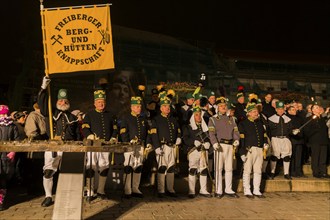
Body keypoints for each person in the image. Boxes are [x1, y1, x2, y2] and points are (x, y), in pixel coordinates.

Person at [38, 76, 79, 207]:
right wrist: (43, 88)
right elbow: (42, 104)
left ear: (68, 102)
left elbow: (77, 134)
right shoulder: (50, 112)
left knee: (69, 173)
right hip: (53, 146)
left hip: (69, 147)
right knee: (48, 171)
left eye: (65, 100)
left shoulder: (72, 117)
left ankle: (68, 196)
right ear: (57, 101)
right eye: (60, 100)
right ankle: (48, 196)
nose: (62, 102)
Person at [82, 90, 118, 201]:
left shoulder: (111, 115)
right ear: (94, 103)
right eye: (98, 102)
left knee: (104, 167)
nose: (101, 104)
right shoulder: (89, 114)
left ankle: (101, 190)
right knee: (91, 167)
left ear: (105, 103)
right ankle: (90, 190)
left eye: (102, 102)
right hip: (93, 145)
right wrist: (89, 136)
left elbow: (115, 128)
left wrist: (113, 137)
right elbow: (85, 127)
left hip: (105, 145)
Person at [120, 96, 151, 198]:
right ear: (132, 107)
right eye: (137, 106)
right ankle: (127, 189)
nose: (139, 108)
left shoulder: (143, 119)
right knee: (128, 167)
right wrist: (128, 142)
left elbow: (148, 133)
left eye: (140, 106)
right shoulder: (126, 118)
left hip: (140, 146)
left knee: (138, 167)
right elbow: (123, 132)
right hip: (130, 146)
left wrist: (147, 144)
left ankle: (135, 188)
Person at [208, 97, 240, 198]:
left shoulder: (231, 119)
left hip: (230, 145)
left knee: (229, 168)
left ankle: (228, 189)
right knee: (218, 168)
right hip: (219, 145)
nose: (223, 107)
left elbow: (235, 131)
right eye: (221, 106)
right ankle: (218, 190)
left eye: (225, 106)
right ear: (217, 108)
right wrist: (214, 143)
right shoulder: (213, 119)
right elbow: (211, 133)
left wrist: (236, 139)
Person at [150, 95, 181, 197]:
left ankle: (170, 189)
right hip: (162, 147)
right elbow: (153, 134)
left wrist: (179, 137)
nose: (167, 108)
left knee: (171, 168)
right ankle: (161, 190)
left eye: (168, 106)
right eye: (164, 106)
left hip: (172, 147)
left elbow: (178, 130)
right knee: (162, 168)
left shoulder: (173, 119)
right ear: (161, 108)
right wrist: (156, 147)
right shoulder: (156, 120)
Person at [238, 102, 269, 198]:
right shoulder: (243, 124)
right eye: (254, 112)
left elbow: (264, 135)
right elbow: (241, 139)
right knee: (247, 171)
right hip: (249, 150)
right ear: (249, 113)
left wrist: (265, 143)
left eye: (257, 112)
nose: (257, 113)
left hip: (259, 150)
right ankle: (247, 190)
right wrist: (242, 152)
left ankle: (256, 190)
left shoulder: (260, 123)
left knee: (258, 171)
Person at [182, 105, 211, 198]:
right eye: (196, 115)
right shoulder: (188, 127)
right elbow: (185, 139)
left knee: (203, 170)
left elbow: (209, 137)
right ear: (192, 117)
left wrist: (207, 143)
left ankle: (203, 190)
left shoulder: (204, 127)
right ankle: (191, 191)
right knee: (193, 170)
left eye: (199, 115)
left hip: (203, 151)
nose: (198, 117)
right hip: (193, 151)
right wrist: (193, 142)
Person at [24, 102, 48, 195]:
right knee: (34, 166)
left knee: (40, 166)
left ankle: (39, 186)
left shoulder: (43, 116)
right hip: (36, 143)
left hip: (43, 143)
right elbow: (31, 131)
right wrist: (39, 136)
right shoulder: (33, 116)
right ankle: (33, 188)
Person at [268, 101, 294, 180]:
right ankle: (272, 172)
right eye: (279, 109)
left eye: (282, 109)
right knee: (274, 156)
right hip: (275, 139)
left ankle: (286, 173)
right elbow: (269, 131)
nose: (280, 110)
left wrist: (293, 131)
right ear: (276, 109)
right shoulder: (271, 119)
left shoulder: (288, 119)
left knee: (286, 156)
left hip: (285, 139)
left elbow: (290, 129)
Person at [0, 105, 19, 211]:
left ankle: (0, 201)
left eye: (5, 113)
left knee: (3, 179)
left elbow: (16, 140)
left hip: (6, 156)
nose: (4, 116)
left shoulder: (12, 126)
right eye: (2, 114)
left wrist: (13, 151)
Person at [303, 104, 329, 178]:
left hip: (323, 141)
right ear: (312, 110)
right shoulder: (309, 119)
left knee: (323, 157)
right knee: (316, 157)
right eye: (316, 108)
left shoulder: (322, 119)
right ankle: (316, 172)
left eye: (318, 107)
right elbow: (307, 131)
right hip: (315, 141)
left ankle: (323, 172)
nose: (318, 109)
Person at [287, 106, 305, 177]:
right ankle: (292, 171)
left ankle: (299, 171)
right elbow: (288, 129)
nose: (294, 111)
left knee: (299, 157)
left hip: (300, 140)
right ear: (289, 111)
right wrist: (292, 131)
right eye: (292, 110)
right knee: (292, 156)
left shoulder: (299, 118)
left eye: (295, 109)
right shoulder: (288, 119)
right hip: (292, 140)